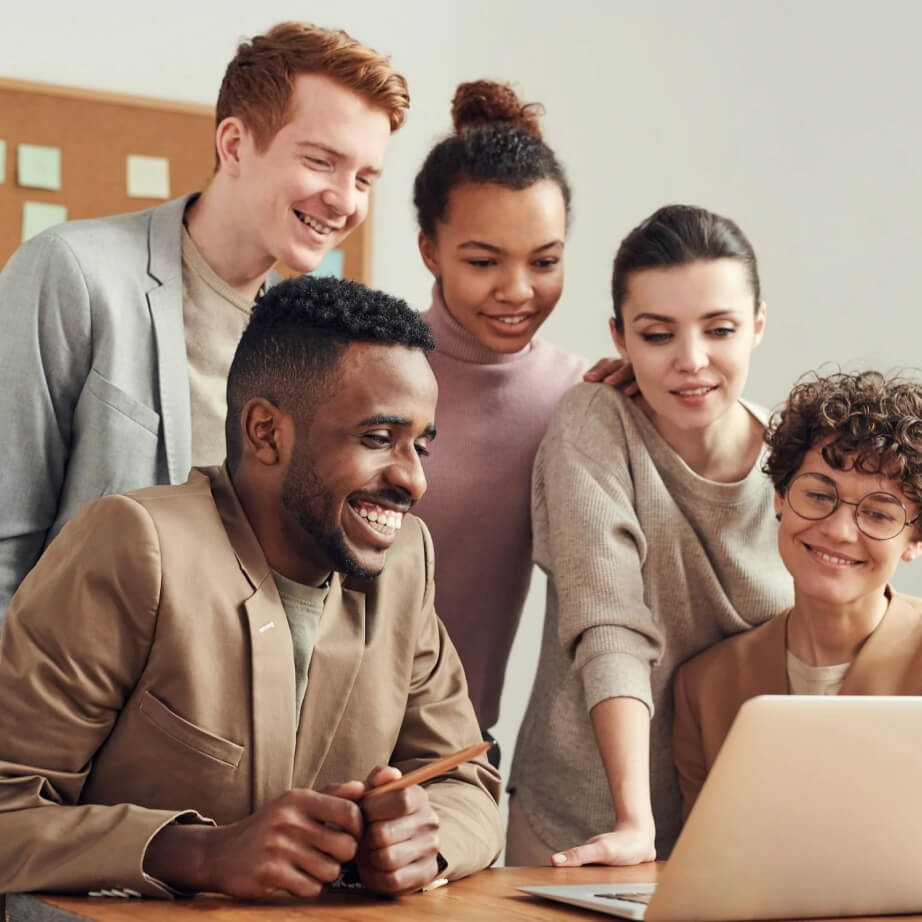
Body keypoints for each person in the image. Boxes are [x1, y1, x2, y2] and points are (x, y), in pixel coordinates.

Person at [0, 276, 502, 899]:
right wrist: (200, 852)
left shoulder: (404, 563)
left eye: (420, 446)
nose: (414, 480)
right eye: (378, 439)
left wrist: (424, 842)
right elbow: (8, 809)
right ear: (266, 432)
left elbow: (467, 782)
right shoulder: (135, 547)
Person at [0, 22, 410, 617]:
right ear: (235, 145)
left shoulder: (312, 345)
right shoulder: (73, 272)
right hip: (65, 691)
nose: (345, 201)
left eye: (365, 179)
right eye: (322, 162)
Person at [507, 204, 793, 866]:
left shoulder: (797, 460)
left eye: (719, 330)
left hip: (740, 832)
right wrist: (635, 823)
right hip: (585, 824)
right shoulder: (594, 425)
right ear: (621, 338)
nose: (692, 362)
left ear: (757, 326)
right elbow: (609, 620)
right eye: (658, 335)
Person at [411, 80, 621, 753]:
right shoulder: (365, 367)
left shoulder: (581, 396)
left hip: (458, 750)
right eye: (482, 261)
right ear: (429, 251)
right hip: (304, 737)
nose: (518, 291)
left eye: (546, 261)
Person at [673, 370, 922, 815]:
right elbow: (708, 866)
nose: (838, 531)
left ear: (914, 543)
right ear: (780, 498)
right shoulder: (705, 687)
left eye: (880, 515)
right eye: (818, 495)